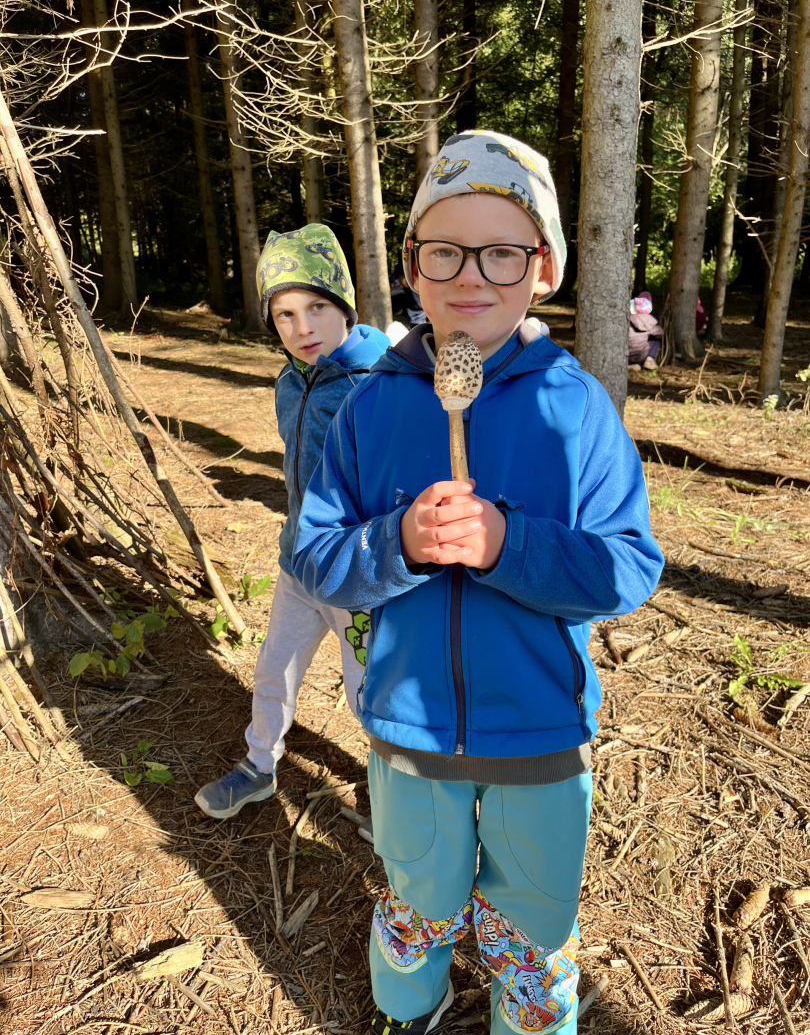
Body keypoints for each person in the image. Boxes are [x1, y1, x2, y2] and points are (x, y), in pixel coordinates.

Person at [292, 132, 664, 1034]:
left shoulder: (575, 408)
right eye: (444, 251)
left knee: (534, 917)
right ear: (411, 266)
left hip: (540, 731)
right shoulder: (372, 406)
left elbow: (627, 566)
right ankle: (409, 1005)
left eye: (501, 252)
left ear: (543, 268)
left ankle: (525, 1019)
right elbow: (312, 555)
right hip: (408, 729)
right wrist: (397, 545)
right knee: (418, 894)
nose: (470, 275)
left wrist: (508, 545)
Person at [194, 223, 389, 840]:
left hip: (357, 576)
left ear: (345, 306)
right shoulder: (289, 381)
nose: (303, 328)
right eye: (285, 315)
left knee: (371, 692)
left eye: (317, 308)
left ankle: (395, 795)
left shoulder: (377, 386)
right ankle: (259, 766)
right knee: (274, 669)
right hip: (298, 564)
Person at [628, 291, 663, 371]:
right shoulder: (650, 320)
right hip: (640, 357)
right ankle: (649, 360)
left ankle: (629, 366)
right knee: (655, 340)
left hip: (625, 356)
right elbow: (660, 333)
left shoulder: (628, 318)